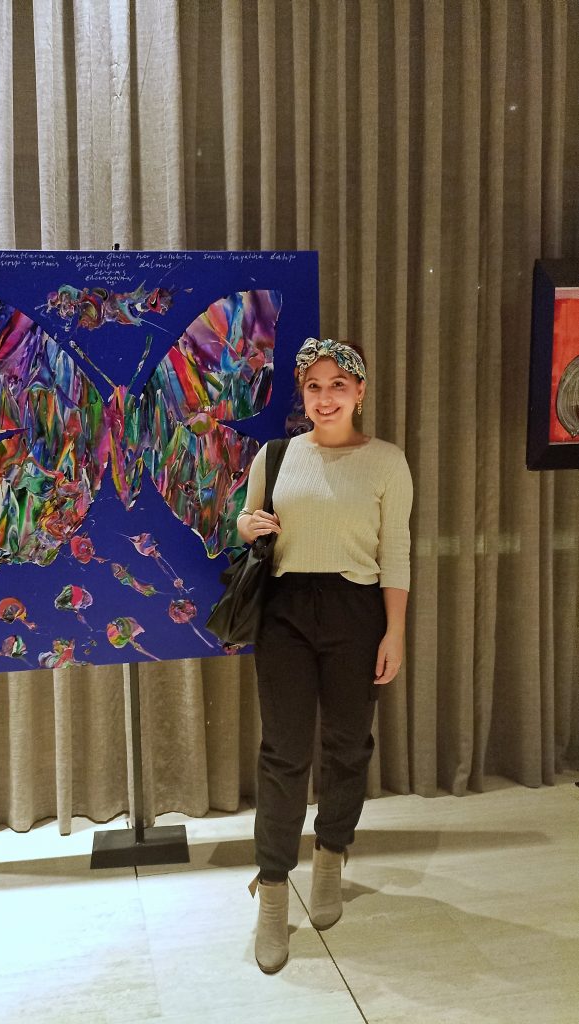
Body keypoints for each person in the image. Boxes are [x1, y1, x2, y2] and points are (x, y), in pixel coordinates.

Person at [237, 337, 413, 973]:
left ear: (360, 392)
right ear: (303, 394)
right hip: (286, 611)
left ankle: (331, 856)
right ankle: (272, 891)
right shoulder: (276, 455)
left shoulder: (387, 461)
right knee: (283, 751)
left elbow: (396, 552)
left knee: (347, 744)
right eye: (314, 386)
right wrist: (248, 525)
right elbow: (246, 520)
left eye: (339, 384)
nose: (326, 397)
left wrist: (394, 633)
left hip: (357, 611)